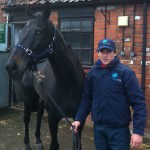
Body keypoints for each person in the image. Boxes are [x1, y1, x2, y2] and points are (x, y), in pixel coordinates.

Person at [72, 38, 147, 150]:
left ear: (115, 53)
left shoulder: (125, 73)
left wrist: (138, 132)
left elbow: (139, 103)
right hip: (99, 129)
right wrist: (78, 119)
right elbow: (86, 100)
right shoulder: (92, 74)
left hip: (119, 131)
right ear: (98, 53)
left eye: (109, 52)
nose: (105, 55)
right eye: (102, 51)